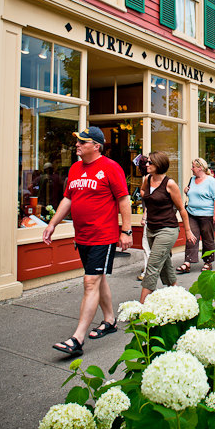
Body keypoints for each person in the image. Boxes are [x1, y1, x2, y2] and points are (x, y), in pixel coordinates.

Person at [43, 127, 133, 357]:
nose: (77, 145)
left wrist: (126, 231)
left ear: (96, 146)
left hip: (103, 236)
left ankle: (77, 339)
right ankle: (110, 320)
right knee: (98, 279)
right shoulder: (75, 168)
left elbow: (124, 200)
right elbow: (68, 199)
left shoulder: (111, 168)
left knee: (90, 282)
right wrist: (53, 224)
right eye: (77, 142)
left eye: (82, 142)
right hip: (82, 236)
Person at [139, 151, 196, 303]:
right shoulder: (147, 179)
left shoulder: (170, 184)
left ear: (159, 164)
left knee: (152, 265)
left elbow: (182, 209)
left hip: (168, 229)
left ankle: (141, 305)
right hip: (151, 228)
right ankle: (177, 292)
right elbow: (143, 192)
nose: (147, 164)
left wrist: (188, 231)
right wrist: (146, 212)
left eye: (150, 162)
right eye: (147, 162)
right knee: (164, 263)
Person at [176, 158, 215, 274]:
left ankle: (208, 262)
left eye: (193, 167)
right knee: (191, 237)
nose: (191, 168)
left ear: (200, 168)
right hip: (192, 214)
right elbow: (191, 193)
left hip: (207, 215)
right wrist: (186, 191)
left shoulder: (211, 181)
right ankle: (187, 263)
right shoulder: (192, 179)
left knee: (208, 239)